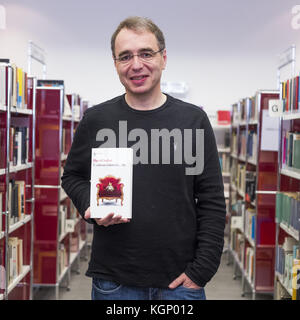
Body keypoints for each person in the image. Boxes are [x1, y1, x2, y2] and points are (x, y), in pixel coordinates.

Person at [61, 16, 226, 300]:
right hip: (114, 282)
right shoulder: (96, 120)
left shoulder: (193, 120)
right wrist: (91, 204)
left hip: (180, 283)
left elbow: (211, 199)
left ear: (164, 58)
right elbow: (72, 176)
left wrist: (202, 271)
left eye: (146, 53)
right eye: (125, 56)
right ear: (115, 65)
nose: (136, 64)